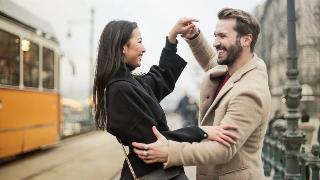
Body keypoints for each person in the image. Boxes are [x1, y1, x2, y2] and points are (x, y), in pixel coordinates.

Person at [132, 8, 271, 180]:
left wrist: (170, 151)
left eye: (222, 36)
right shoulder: (234, 67)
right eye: (215, 35)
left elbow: (223, 149)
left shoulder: (249, 91)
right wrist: (194, 36)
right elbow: (211, 61)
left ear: (246, 40)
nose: (215, 42)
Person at [93, 19, 240, 180]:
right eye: (139, 41)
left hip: (158, 172)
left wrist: (171, 39)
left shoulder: (128, 83)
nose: (144, 49)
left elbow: (160, 78)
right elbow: (157, 142)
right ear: (123, 47)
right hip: (156, 173)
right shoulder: (121, 90)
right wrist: (202, 132)